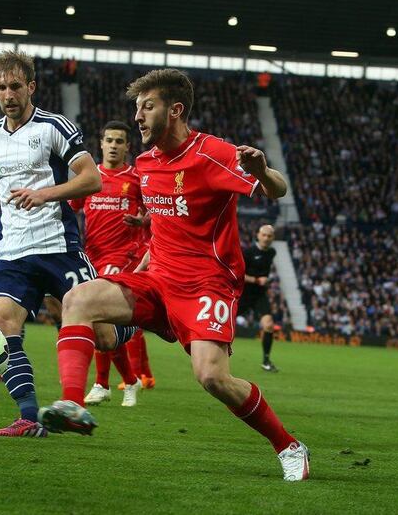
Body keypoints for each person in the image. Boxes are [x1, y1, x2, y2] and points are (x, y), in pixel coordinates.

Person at [38, 68, 309, 481]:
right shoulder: (145, 163)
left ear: (175, 109)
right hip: (158, 278)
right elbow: (164, 222)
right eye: (136, 108)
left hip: (207, 283)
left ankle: (288, 445)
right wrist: (143, 257)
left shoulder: (212, 153)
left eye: (148, 107)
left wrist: (262, 170)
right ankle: (71, 404)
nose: (138, 117)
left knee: (213, 377)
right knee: (78, 300)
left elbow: (279, 189)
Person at [0, 50, 101, 437]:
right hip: (13, 252)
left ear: (31, 87)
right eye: (1, 87)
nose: (9, 94)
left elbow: (92, 178)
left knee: (107, 333)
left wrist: (46, 194)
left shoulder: (54, 127)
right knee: (2, 323)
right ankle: (30, 417)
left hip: (59, 245)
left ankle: (148, 317)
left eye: (16, 86)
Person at [70, 121, 153, 408]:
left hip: (123, 256)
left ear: (128, 146)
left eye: (120, 141)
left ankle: (102, 383)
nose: (114, 145)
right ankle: (129, 381)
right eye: (110, 140)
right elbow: (72, 210)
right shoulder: (89, 176)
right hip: (92, 256)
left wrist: (142, 221)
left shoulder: (137, 177)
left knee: (97, 315)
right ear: (101, 144)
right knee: (99, 325)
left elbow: (155, 211)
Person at [240, 224, 280, 372]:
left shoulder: (272, 252)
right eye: (264, 235)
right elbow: (238, 274)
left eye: (269, 236)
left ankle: (266, 361)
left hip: (259, 295)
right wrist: (257, 280)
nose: (266, 238)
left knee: (268, 325)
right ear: (258, 235)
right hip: (243, 293)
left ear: (273, 238)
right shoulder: (248, 252)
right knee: (225, 323)